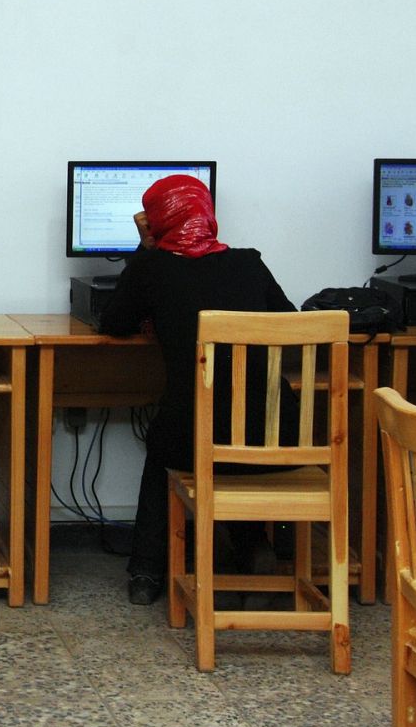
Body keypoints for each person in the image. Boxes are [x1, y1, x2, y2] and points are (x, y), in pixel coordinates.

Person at [97, 174, 298, 606]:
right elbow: (291, 321)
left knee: (166, 443)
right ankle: (252, 549)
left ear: (157, 220)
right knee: (229, 435)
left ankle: (146, 573)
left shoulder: (154, 267)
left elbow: (113, 322)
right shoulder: (249, 262)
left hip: (195, 440)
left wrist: (144, 248)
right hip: (277, 437)